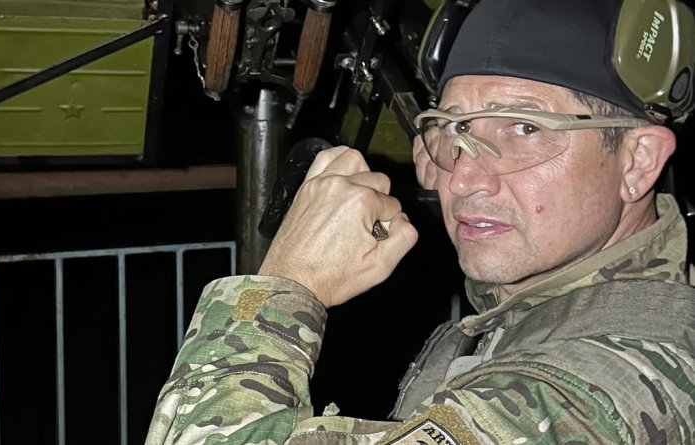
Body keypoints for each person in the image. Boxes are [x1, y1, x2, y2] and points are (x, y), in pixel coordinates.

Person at [145, 0, 695, 443]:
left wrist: (286, 286)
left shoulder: (600, 391)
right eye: (454, 130)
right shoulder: (529, 316)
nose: (464, 179)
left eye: (524, 129)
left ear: (638, 161)